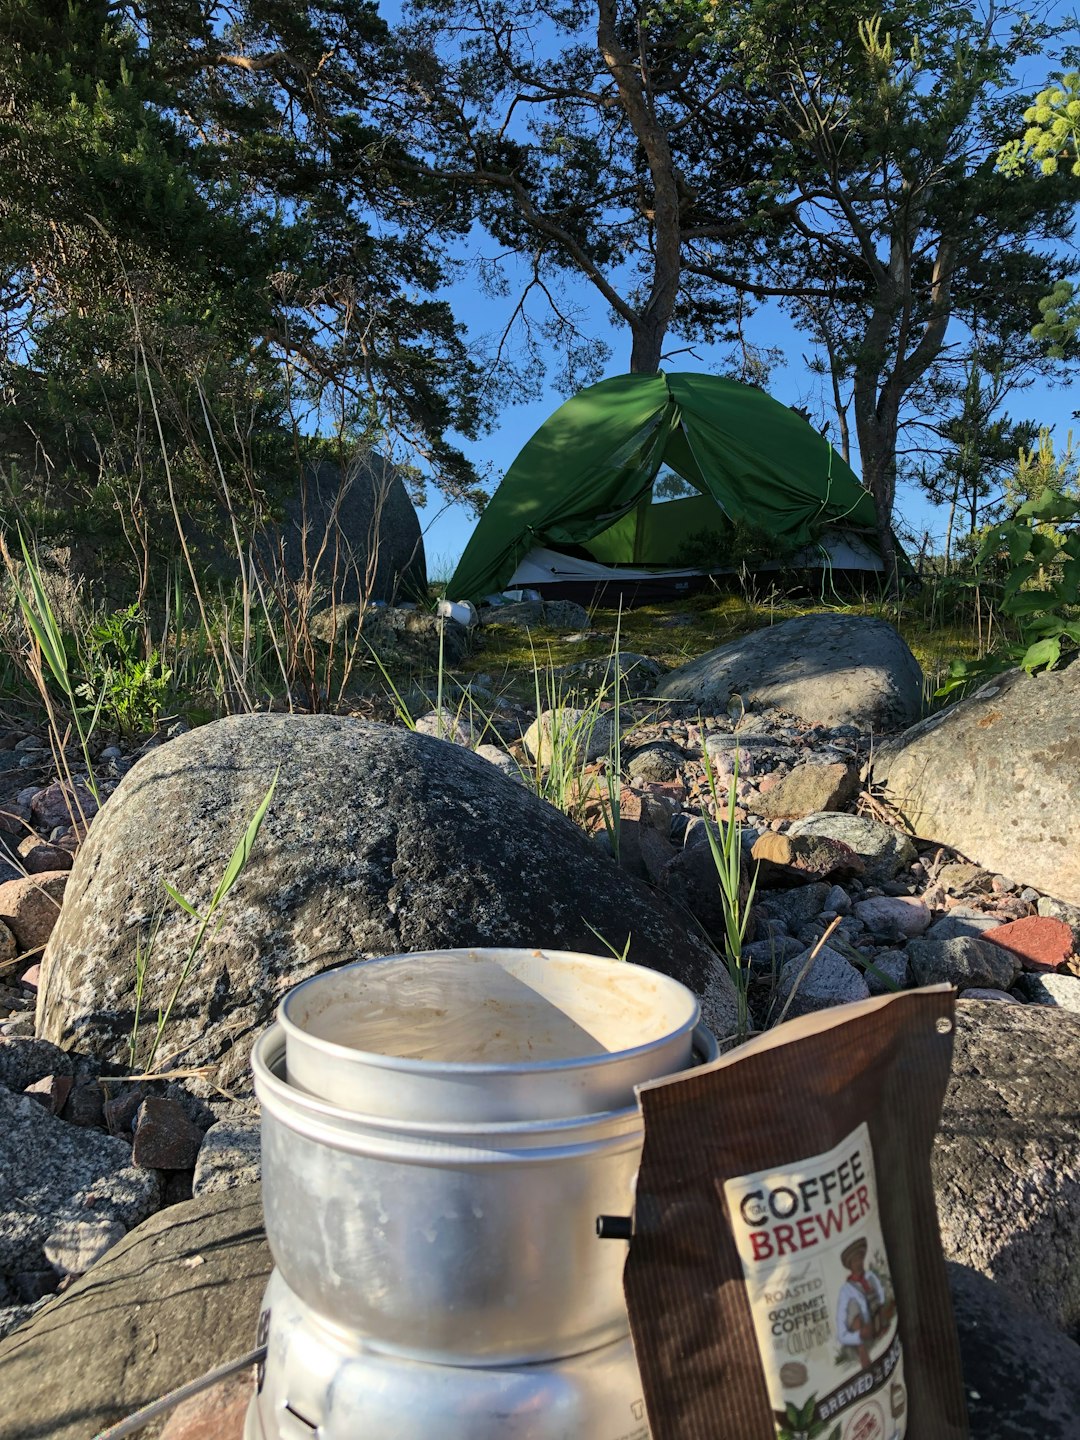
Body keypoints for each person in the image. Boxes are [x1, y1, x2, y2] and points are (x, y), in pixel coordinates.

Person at [835, 1237, 895, 1369]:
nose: (858, 1263)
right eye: (854, 1260)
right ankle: (862, 1350)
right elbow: (841, 1333)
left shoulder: (870, 1277)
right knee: (854, 1304)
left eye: (860, 1258)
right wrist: (859, 1334)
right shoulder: (846, 1290)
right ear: (849, 1265)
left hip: (877, 1321)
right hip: (861, 1330)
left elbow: (881, 1299)